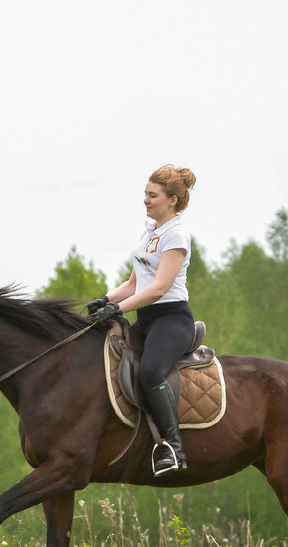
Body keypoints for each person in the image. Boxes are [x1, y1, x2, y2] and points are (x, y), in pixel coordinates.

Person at [88, 165, 197, 477]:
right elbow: (134, 284)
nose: (146, 201)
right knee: (110, 359)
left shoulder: (176, 235)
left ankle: (174, 448)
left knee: (150, 371)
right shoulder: (150, 232)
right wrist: (106, 300)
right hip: (146, 317)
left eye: (153, 195)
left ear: (172, 200)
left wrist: (119, 310)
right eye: (145, 195)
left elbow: (159, 288)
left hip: (172, 318)